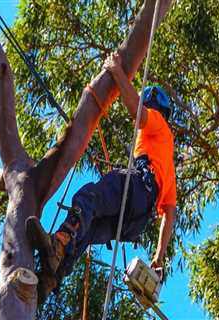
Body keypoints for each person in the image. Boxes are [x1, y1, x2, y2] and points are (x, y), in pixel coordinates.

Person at [25, 52, 177, 302]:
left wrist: (117, 70)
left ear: (152, 105)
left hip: (139, 184)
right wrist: (158, 258)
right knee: (87, 231)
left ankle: (60, 241)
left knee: (88, 197)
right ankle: (51, 277)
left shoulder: (158, 123)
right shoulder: (167, 162)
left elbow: (138, 113)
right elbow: (169, 215)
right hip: (135, 222)